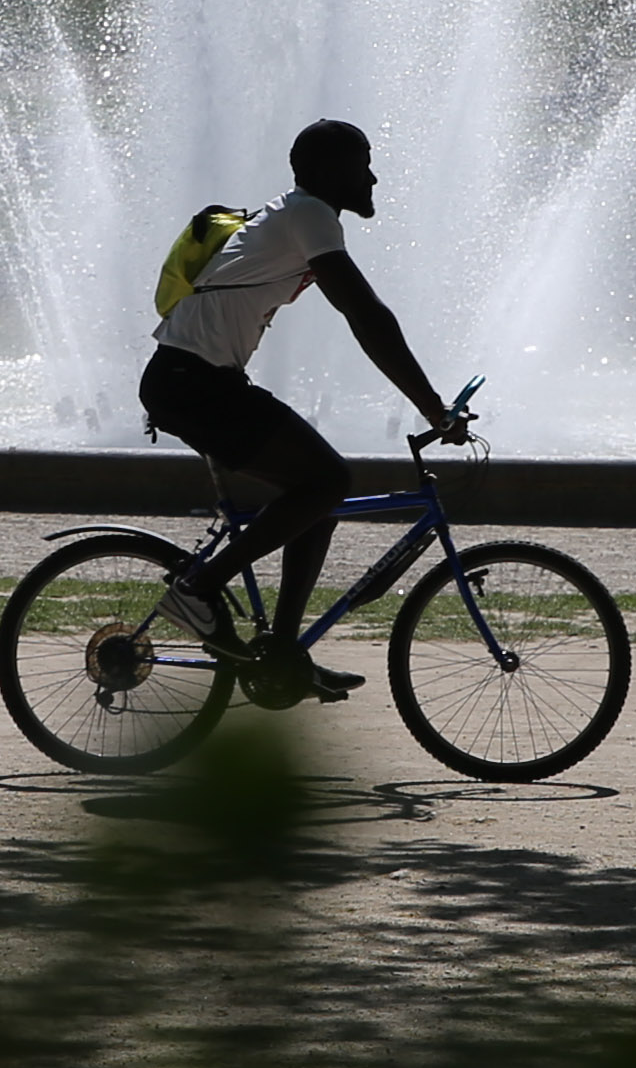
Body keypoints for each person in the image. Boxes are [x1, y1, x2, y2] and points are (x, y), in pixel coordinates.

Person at [140, 119, 468, 709]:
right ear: (324, 173)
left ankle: (284, 652)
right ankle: (198, 588)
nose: (372, 176)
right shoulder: (309, 214)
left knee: (316, 495)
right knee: (328, 480)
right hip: (192, 384)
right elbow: (367, 317)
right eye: (360, 163)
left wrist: (429, 403)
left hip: (196, 382)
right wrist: (433, 408)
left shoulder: (299, 216)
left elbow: (364, 323)